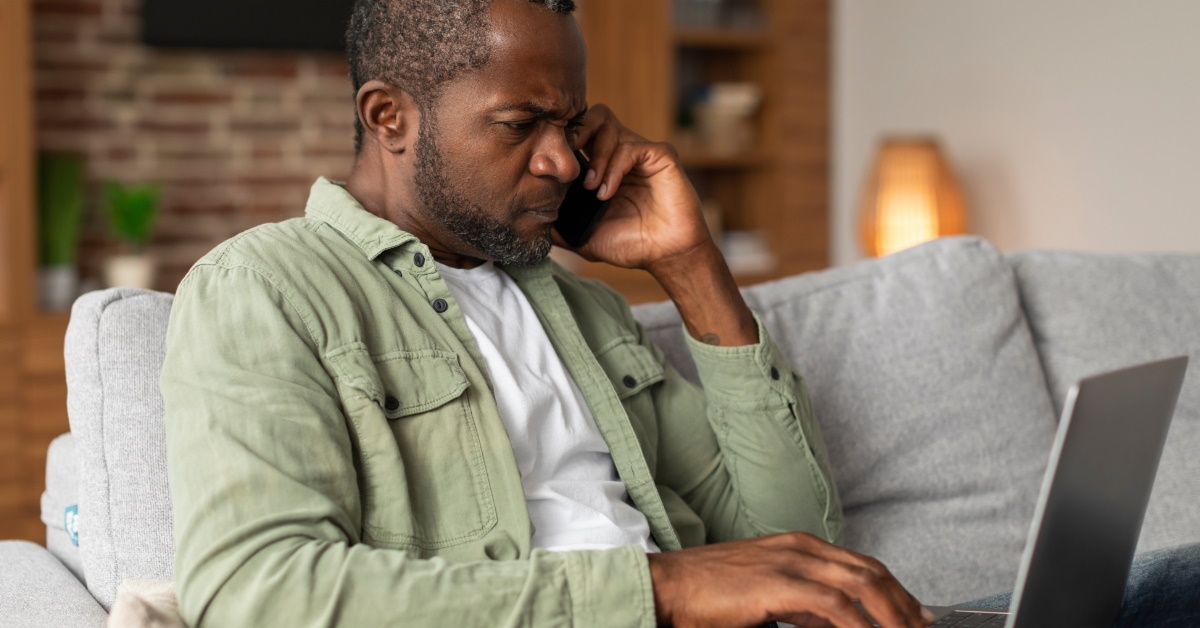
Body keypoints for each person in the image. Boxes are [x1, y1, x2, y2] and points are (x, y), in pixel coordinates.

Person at [161, 2, 1200, 627]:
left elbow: (787, 535)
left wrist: (689, 264)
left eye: (570, 124)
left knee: (1176, 583)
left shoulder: (579, 308)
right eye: (522, 125)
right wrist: (657, 589)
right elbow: (263, 594)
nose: (564, 160)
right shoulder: (266, 291)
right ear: (390, 116)